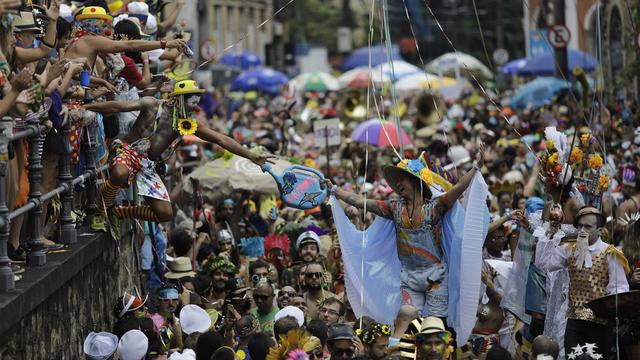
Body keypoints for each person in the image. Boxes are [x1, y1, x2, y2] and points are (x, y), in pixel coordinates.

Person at [84, 80, 274, 224]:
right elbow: (119, 106)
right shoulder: (152, 105)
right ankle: (100, 212)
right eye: (191, 102)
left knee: (165, 214)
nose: (195, 107)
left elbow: (220, 139)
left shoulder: (187, 125)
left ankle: (118, 213)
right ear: (178, 98)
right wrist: (86, 107)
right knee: (119, 173)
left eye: (196, 102)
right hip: (128, 150)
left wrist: (251, 155)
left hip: (148, 166)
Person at [326, 146, 485, 317]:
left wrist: (476, 167)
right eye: (398, 181)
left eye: (403, 179)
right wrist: (335, 190)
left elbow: (459, 187)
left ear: (415, 181)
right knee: (408, 323)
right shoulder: (393, 208)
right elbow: (360, 201)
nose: (399, 184)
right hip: (408, 278)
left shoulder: (436, 207)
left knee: (437, 324)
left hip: (436, 277)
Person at [536, 206, 630, 356]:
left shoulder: (610, 254)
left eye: (587, 226)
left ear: (599, 229)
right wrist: (548, 235)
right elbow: (544, 264)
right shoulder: (569, 250)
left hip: (601, 324)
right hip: (575, 322)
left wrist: (614, 311)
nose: (582, 230)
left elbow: (619, 288)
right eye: (579, 226)